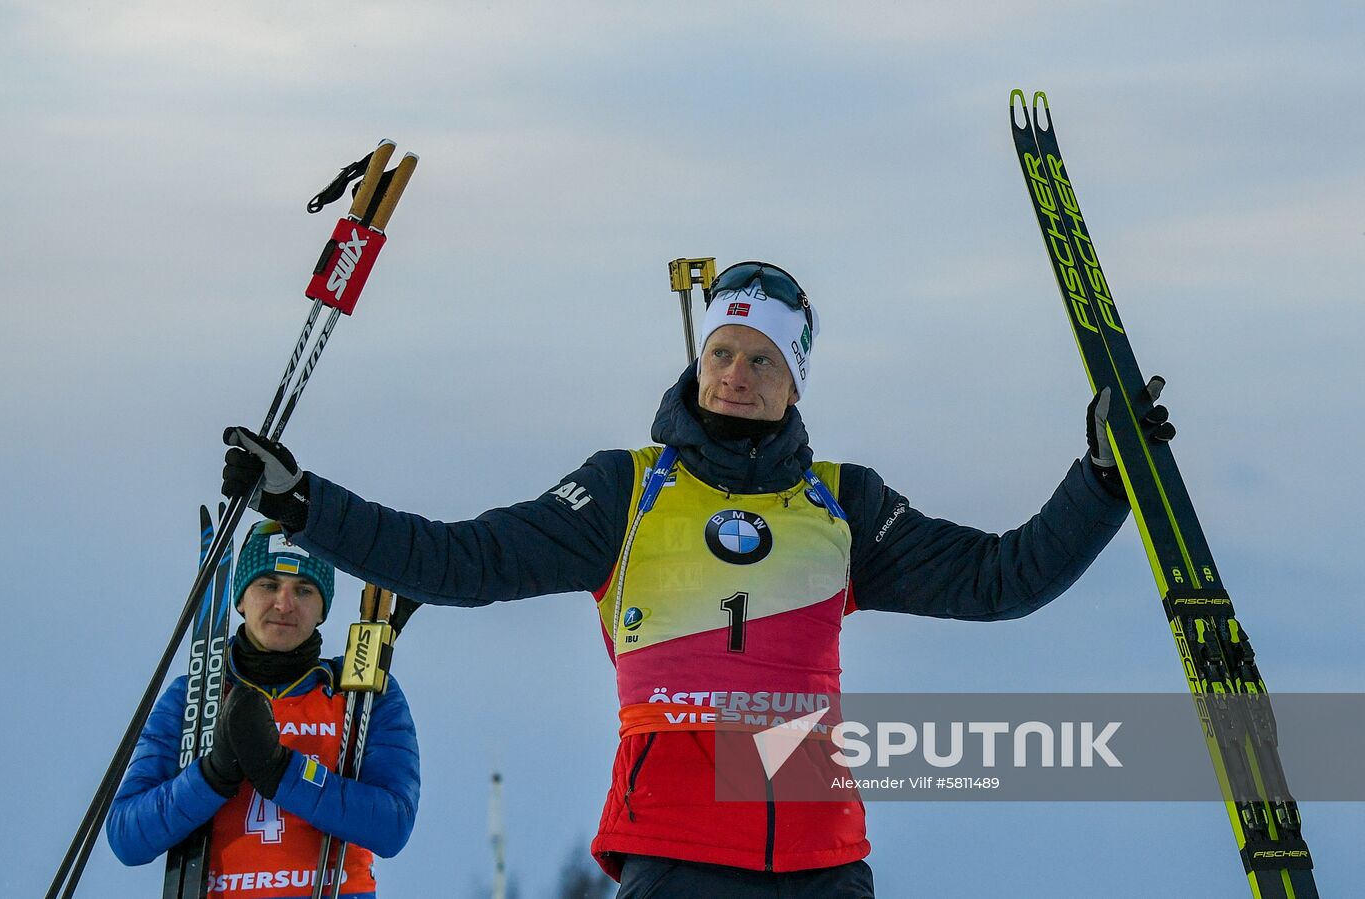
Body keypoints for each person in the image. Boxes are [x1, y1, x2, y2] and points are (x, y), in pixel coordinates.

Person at [221, 261, 1133, 897]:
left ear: (797, 380)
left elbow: (1001, 578)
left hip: (825, 860)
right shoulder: (626, 489)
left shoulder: (844, 503)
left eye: (763, 358)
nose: (736, 374)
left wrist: (1099, 478)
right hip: (675, 850)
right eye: (721, 353)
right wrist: (308, 506)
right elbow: (464, 560)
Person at [107, 520, 420, 899]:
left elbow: (392, 826)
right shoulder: (194, 694)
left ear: (323, 608)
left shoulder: (361, 694)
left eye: (303, 590)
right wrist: (211, 775)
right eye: (268, 585)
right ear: (240, 598)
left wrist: (283, 771)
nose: (284, 604)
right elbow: (127, 836)